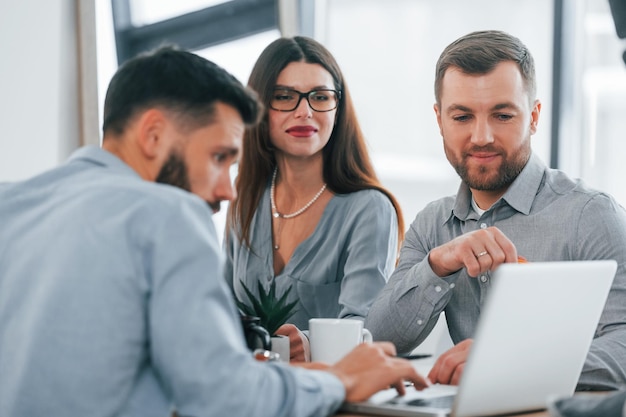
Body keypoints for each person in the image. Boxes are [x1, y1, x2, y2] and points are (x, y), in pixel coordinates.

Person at [0, 45, 429, 417]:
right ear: (153, 135)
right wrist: (339, 382)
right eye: (218, 157)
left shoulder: (11, 204)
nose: (226, 189)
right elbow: (227, 398)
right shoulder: (167, 215)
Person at [365, 30, 626, 391]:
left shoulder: (592, 216)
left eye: (502, 115)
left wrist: (508, 362)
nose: (482, 136)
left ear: (533, 117)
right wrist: (438, 265)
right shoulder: (432, 226)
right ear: (439, 119)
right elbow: (378, 338)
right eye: (462, 117)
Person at [224, 36, 404, 361]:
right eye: (284, 97)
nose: (305, 112)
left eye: (320, 97)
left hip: (331, 398)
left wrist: (308, 343)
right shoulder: (243, 199)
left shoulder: (369, 209)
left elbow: (367, 327)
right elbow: (220, 309)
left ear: (338, 108)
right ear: (260, 108)